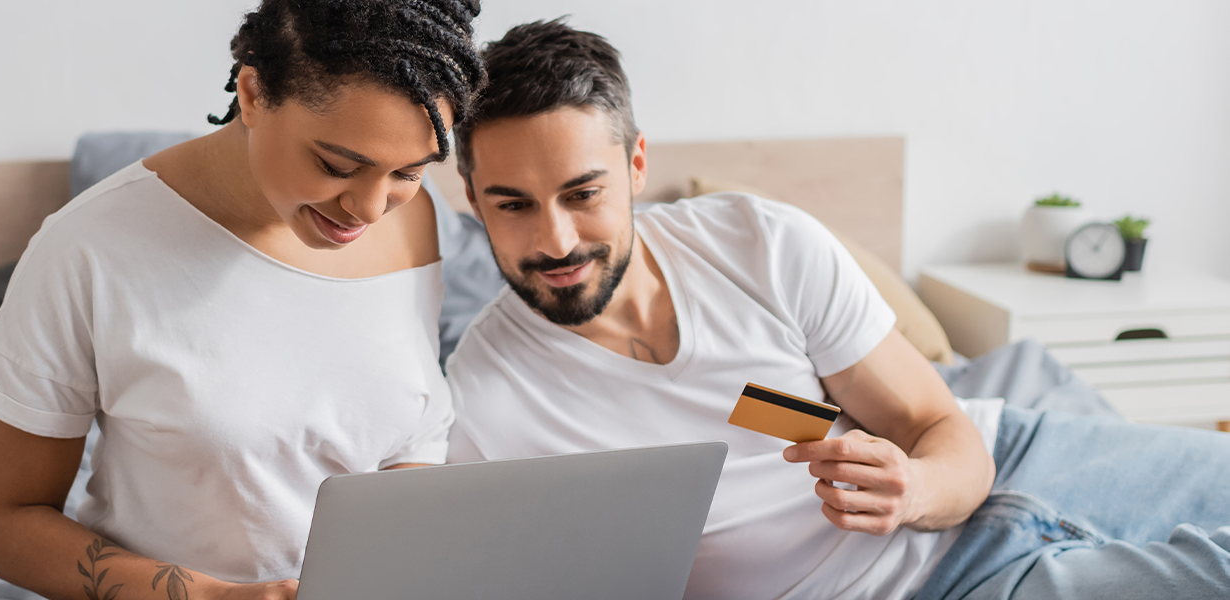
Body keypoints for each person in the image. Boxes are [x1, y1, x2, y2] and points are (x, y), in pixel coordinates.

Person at [444, 19, 1230, 600]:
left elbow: (937, 425)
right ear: (472, 197)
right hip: (936, 588)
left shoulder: (756, 240)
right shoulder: (482, 404)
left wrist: (913, 490)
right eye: (512, 204)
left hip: (1012, 452)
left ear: (638, 164)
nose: (555, 240)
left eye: (584, 194)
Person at [0, 2, 485, 599]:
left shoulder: (415, 220)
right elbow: (7, 524)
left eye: (410, 172)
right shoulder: (88, 248)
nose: (370, 209)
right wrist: (212, 597)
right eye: (338, 165)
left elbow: (406, 435)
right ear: (252, 93)